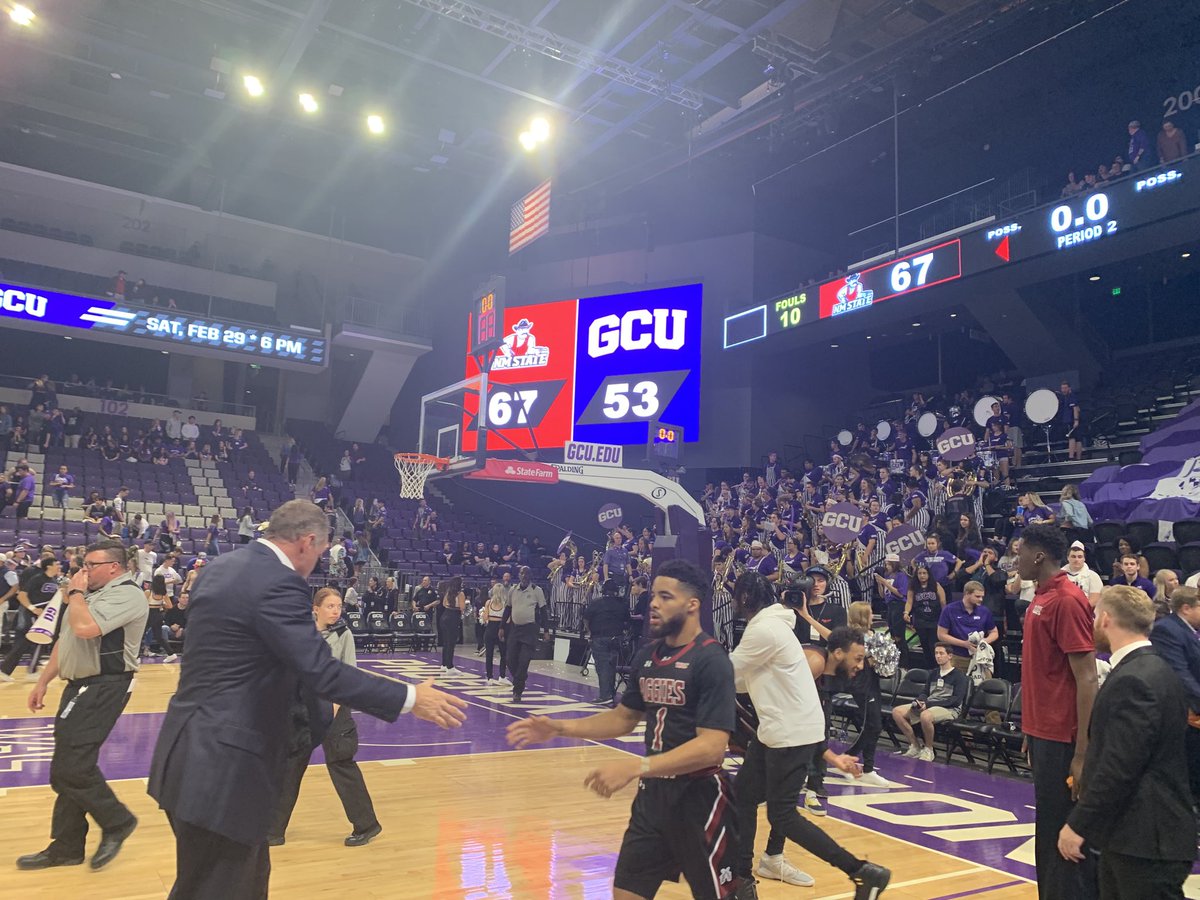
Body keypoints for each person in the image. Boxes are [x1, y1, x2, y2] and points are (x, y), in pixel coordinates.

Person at [147, 500, 467, 899]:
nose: (317, 561)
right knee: (224, 886)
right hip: (225, 766)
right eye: (319, 552)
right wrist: (408, 696)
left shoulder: (221, 567)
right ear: (307, 540)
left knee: (213, 883)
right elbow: (321, 669)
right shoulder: (278, 582)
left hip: (183, 754)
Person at [506, 559, 744, 900]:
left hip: (700, 800)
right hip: (653, 801)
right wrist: (559, 727)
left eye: (666, 597)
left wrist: (637, 766)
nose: (654, 604)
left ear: (692, 605)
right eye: (653, 596)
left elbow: (712, 747)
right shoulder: (648, 656)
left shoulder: (712, 661)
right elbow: (622, 718)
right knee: (626, 893)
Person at [727, 573, 891, 898]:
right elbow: (743, 682)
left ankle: (861, 871)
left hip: (789, 732)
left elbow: (725, 673)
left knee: (782, 813)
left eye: (734, 596)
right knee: (742, 797)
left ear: (744, 598)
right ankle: (742, 878)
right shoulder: (775, 627)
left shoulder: (764, 629)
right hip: (781, 730)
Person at [17, 541, 148, 871]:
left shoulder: (128, 594)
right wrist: (44, 680)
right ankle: (66, 848)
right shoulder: (90, 595)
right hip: (79, 685)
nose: (82, 571)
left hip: (105, 685)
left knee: (72, 768)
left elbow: (85, 628)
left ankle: (117, 821)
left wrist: (74, 594)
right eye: (82, 565)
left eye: (91, 564)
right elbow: (67, 639)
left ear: (114, 567)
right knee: (67, 768)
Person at [1058, 585, 1196, 898]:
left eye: (1094, 616)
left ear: (1106, 619)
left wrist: (1078, 824)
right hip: (1139, 836)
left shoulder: (1135, 679)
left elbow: (1119, 766)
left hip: (1145, 840)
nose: (1092, 623)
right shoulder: (1158, 669)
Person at [1016, 523, 1098, 900]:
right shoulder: (1040, 598)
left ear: (1038, 555)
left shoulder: (1067, 599)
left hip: (1063, 738)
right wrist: (1029, 729)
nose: (1015, 559)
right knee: (1048, 829)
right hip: (1042, 732)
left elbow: (1087, 678)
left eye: (1019, 552)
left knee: (1064, 834)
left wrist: (1082, 752)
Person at [269, 588, 382, 848]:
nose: (336, 610)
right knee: (290, 767)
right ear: (315, 609)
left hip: (334, 711)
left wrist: (333, 707)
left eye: (339, 606)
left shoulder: (344, 635)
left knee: (341, 764)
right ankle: (273, 830)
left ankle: (366, 825)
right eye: (330, 606)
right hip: (302, 709)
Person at [1150, 585, 1200, 811]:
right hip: (1184, 713)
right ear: (1187, 608)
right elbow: (1180, 673)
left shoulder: (1187, 629)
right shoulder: (1167, 630)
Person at [843, 600, 897, 787]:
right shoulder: (853, 636)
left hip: (873, 682)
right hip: (861, 683)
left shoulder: (873, 635)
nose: (873, 615)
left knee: (874, 724)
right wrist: (869, 659)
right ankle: (849, 760)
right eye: (870, 612)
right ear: (863, 616)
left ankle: (867, 768)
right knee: (873, 724)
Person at [891, 643, 968, 761]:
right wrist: (920, 701)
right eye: (936, 653)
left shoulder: (959, 676)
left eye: (941, 653)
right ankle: (915, 746)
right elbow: (925, 692)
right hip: (929, 704)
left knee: (925, 715)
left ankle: (929, 749)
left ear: (950, 656)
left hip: (949, 708)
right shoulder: (933, 673)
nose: (938, 656)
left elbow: (956, 700)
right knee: (897, 711)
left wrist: (928, 705)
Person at [0, 556, 62, 681]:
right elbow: (21, 596)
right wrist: (33, 609)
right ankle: (27, 671)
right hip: (32, 614)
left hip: (45, 616)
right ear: (49, 566)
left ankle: (13, 670)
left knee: (35, 642)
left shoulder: (54, 580)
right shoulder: (37, 579)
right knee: (31, 641)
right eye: (57, 564)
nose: (59, 566)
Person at [503, 565, 548, 703]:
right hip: (515, 629)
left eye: (526, 573)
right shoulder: (513, 590)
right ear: (519, 575)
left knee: (524, 661)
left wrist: (546, 630)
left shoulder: (537, 590)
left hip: (530, 630)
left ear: (530, 576)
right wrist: (501, 627)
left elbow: (543, 611)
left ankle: (517, 690)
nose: (524, 576)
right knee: (509, 659)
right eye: (522, 573)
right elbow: (508, 609)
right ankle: (520, 677)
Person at [583, 577, 631, 706]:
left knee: (602, 667)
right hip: (617, 639)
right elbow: (627, 621)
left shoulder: (596, 603)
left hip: (600, 638)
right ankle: (611, 693)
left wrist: (589, 632)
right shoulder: (623, 603)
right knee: (611, 666)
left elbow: (586, 618)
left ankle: (605, 695)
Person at [936, 581, 998, 674]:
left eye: (982, 596)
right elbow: (941, 635)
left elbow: (994, 632)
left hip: (981, 657)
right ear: (967, 594)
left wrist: (984, 641)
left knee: (983, 686)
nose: (981, 599)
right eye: (977, 596)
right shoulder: (949, 609)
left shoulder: (984, 611)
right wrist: (964, 644)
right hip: (958, 657)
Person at [904, 565, 945, 670]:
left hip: (934, 620)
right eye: (920, 573)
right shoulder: (913, 587)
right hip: (920, 620)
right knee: (925, 646)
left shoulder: (936, 585)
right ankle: (929, 669)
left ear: (928, 574)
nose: (922, 575)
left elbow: (943, 602)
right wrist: (906, 612)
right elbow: (909, 602)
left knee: (933, 645)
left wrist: (945, 618)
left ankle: (937, 668)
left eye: (924, 573)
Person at [481, 578, 509, 685]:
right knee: (503, 654)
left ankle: (489, 677)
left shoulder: (488, 602)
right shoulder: (506, 604)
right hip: (501, 629)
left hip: (490, 629)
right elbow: (509, 619)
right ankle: (502, 676)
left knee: (489, 654)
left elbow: (485, 617)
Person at [438, 575, 466, 674]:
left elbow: (444, 604)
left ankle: (444, 664)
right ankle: (450, 666)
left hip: (445, 615)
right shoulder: (460, 594)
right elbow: (462, 607)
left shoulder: (448, 592)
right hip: (453, 617)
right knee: (451, 643)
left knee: (446, 642)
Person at [1062, 541, 1103, 606]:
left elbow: (1095, 598)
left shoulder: (1093, 576)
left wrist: (1080, 610)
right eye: (1073, 556)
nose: (1076, 559)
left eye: (1079, 557)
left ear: (1084, 558)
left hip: (1085, 612)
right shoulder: (1059, 575)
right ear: (1067, 558)